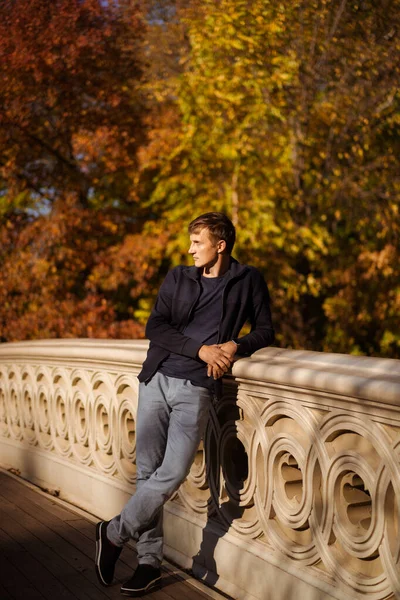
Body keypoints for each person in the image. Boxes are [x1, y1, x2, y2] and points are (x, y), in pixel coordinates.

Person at [95, 212, 274, 596]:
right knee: (148, 474)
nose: (190, 249)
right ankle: (148, 563)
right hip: (157, 379)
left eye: (198, 242)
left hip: (197, 386)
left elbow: (265, 329)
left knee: (172, 473)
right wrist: (200, 348)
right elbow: (155, 327)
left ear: (220, 245)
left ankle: (112, 534)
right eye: (191, 242)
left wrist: (235, 346)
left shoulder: (248, 280)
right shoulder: (178, 277)